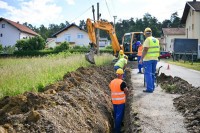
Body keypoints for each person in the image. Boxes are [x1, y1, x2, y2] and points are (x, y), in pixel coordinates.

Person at [139, 27, 160, 93]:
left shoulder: (147, 40)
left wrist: (141, 59)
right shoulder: (156, 40)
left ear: (145, 33)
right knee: (153, 74)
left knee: (148, 74)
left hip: (148, 59)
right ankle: (152, 87)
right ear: (151, 33)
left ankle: (149, 88)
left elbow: (145, 49)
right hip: (155, 59)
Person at [109, 68, 128, 133]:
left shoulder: (112, 81)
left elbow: (112, 89)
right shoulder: (122, 82)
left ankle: (117, 126)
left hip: (114, 101)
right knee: (119, 116)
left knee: (116, 115)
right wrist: (127, 95)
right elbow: (126, 91)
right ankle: (117, 130)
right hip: (120, 102)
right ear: (121, 75)